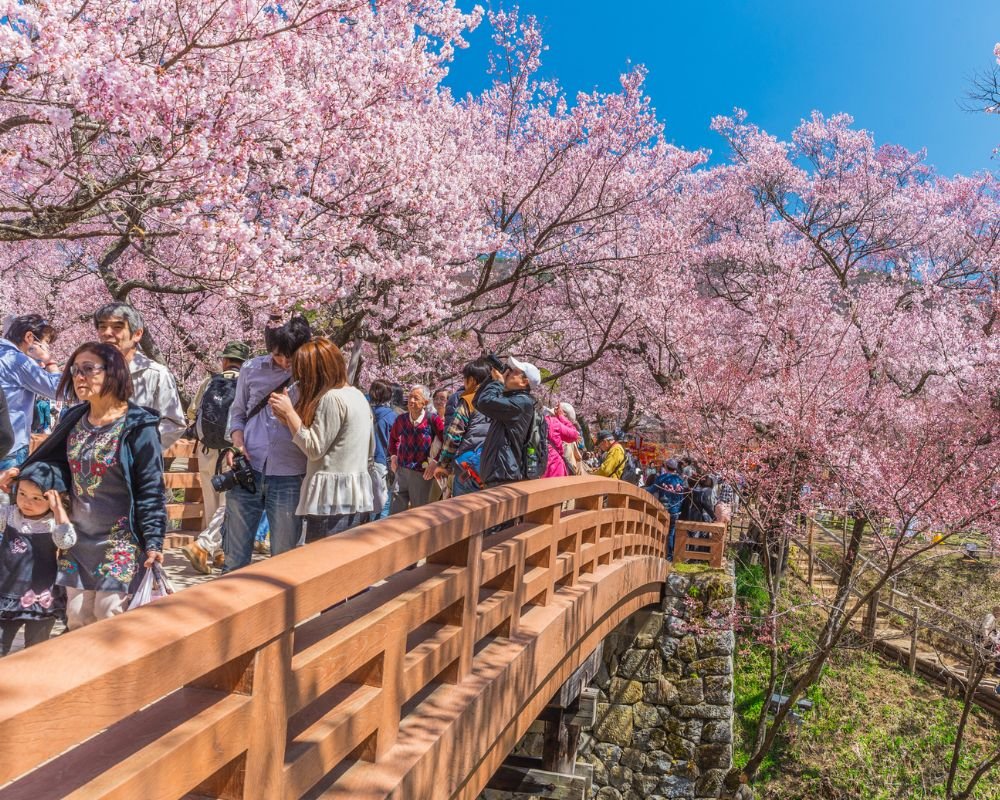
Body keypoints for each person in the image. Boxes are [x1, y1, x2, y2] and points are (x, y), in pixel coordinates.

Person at [3, 342, 166, 629]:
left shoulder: (139, 426)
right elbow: (55, 462)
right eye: (75, 370)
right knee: (76, 619)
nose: (79, 377)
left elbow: (150, 487)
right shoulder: (73, 418)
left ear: (113, 372)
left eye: (88, 369)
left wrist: (153, 540)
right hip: (77, 539)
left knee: (109, 618)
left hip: (120, 541)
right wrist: (23, 474)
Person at [222, 315, 311, 572]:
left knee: (284, 559)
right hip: (248, 469)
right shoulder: (251, 369)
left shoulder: (310, 378)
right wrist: (236, 441)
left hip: (290, 474)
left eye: (290, 357)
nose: (283, 362)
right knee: (235, 557)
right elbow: (237, 412)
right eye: (277, 355)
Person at [269, 338, 374, 539]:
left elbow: (314, 448)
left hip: (330, 500)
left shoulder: (331, 398)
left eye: (304, 372)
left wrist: (290, 413)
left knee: (322, 563)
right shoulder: (356, 395)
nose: (300, 379)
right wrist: (289, 421)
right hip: (353, 495)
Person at [179, 341, 250, 574]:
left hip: (206, 449)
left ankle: (217, 552)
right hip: (232, 451)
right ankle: (206, 546)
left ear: (224, 360)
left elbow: (191, 413)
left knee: (211, 501)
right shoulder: (246, 383)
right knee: (229, 502)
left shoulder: (209, 382)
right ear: (244, 363)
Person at [0, 462, 74, 654]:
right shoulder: (10, 516)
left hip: (42, 598)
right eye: (22, 494)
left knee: (36, 649)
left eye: (37, 498)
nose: (27, 502)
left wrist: (58, 510)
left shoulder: (52, 524)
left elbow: (66, 542)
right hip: (6, 595)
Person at [93, 303, 186, 449]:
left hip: (135, 465)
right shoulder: (90, 373)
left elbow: (173, 423)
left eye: (117, 327)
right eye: (102, 326)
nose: (107, 333)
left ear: (137, 334)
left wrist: (137, 447)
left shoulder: (156, 374)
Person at [0, 315, 61, 470]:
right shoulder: (18, 360)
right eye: (46, 342)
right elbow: (59, 390)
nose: (47, 348)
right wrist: (49, 361)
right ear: (29, 337)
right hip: (9, 447)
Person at [474, 356, 539, 488]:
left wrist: (498, 383)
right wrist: (492, 380)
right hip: (499, 472)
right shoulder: (514, 400)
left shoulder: (522, 403)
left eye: (514, 371)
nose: (508, 372)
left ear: (524, 382)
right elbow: (478, 402)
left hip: (503, 474)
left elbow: (485, 402)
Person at [434, 359, 492, 497]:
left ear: (472, 380)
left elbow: (453, 436)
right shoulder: (500, 399)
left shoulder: (468, 400)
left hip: (468, 466)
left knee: (464, 511)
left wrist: (443, 465)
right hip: (494, 464)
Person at [388, 385, 443, 513]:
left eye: (416, 398)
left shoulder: (433, 420)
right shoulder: (401, 419)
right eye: (410, 397)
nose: (411, 401)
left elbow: (446, 443)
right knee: (395, 511)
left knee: (419, 512)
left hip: (422, 473)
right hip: (401, 470)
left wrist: (435, 462)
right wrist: (394, 456)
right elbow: (393, 439)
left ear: (425, 402)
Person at [368, 380, 397, 521]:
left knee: (367, 500)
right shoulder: (391, 416)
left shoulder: (364, 412)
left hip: (363, 461)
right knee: (383, 502)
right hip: (382, 461)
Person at [651, 459, 685, 558]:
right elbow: (681, 496)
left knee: (660, 530)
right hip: (676, 509)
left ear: (666, 467)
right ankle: (669, 555)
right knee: (671, 532)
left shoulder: (662, 478)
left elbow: (652, 489)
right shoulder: (680, 480)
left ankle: (661, 553)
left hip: (663, 509)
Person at [543, 403, 580, 478]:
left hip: (535, 467)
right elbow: (574, 434)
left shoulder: (533, 423)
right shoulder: (553, 422)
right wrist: (561, 416)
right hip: (554, 467)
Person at [977, 606, 1000, 695]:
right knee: (986, 654)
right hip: (983, 638)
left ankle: (982, 671)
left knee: (987, 654)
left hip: (985, 638)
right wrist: (986, 638)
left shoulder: (992, 618)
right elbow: (985, 627)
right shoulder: (991, 617)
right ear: (996, 612)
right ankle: (981, 671)